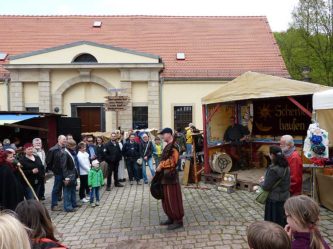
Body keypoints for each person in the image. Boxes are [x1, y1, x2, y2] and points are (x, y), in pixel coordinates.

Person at [156, 128, 184, 230]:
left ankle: (178, 220)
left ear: (169, 134)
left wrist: (161, 165)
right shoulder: (168, 145)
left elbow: (174, 161)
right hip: (165, 177)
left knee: (173, 199)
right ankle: (171, 217)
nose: (162, 136)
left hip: (171, 177)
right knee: (166, 198)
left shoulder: (174, 146)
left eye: (163, 134)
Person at [261, 146, 290, 227]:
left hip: (274, 200)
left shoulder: (273, 169)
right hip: (284, 197)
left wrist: (262, 182)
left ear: (272, 155)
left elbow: (266, 187)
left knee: (272, 224)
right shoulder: (286, 166)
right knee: (282, 221)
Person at [46, 135, 67, 211]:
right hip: (58, 172)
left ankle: (67, 204)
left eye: (65, 139)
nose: (65, 140)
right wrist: (54, 170)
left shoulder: (66, 148)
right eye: (64, 139)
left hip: (65, 172)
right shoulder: (53, 150)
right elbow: (48, 162)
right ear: (59, 140)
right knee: (56, 188)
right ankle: (54, 205)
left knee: (66, 188)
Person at [62, 139, 79, 212]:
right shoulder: (64, 153)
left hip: (73, 174)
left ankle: (73, 204)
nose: (75, 147)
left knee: (73, 190)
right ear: (68, 145)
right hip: (68, 175)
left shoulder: (71, 152)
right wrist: (66, 178)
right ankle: (68, 207)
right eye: (73, 146)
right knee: (67, 192)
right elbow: (63, 166)